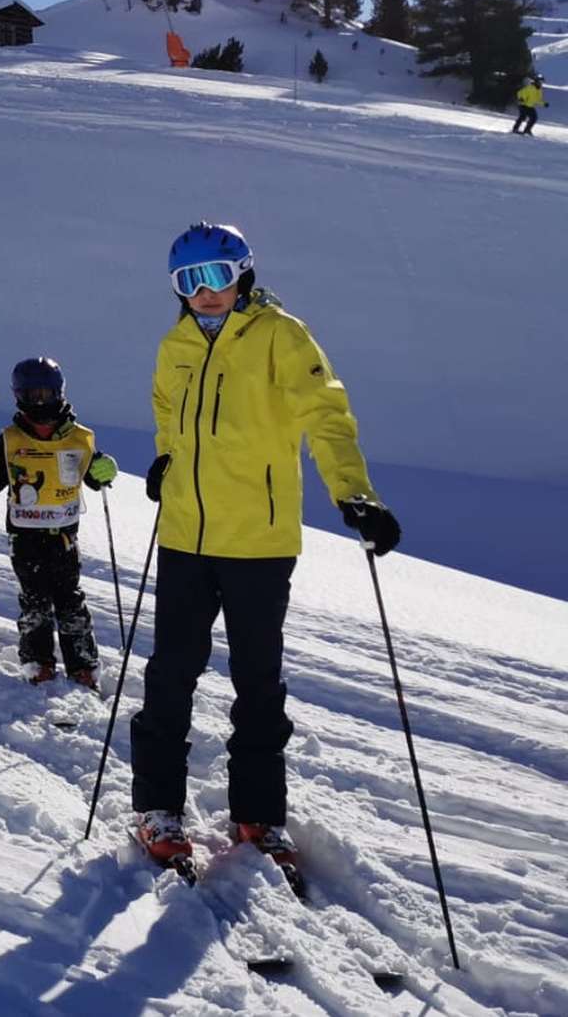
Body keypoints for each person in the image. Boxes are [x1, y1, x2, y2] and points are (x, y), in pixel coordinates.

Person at [130, 222, 401, 881]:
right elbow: (167, 411)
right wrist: (167, 458)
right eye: (189, 281)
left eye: (217, 276)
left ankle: (258, 814)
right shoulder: (174, 345)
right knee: (170, 675)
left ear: (243, 274)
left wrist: (355, 495)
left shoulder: (281, 335)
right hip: (186, 536)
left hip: (259, 541)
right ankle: (158, 809)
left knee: (258, 681)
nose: (205, 292)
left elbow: (326, 415)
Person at [0, 358, 117, 688]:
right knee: (34, 602)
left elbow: (95, 478)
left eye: (45, 394)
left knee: (70, 600)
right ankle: (37, 663)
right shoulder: (9, 438)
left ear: (58, 392)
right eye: (31, 395)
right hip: (24, 536)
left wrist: (104, 470)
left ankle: (82, 664)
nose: (39, 402)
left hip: (63, 535)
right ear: (19, 396)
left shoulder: (80, 438)